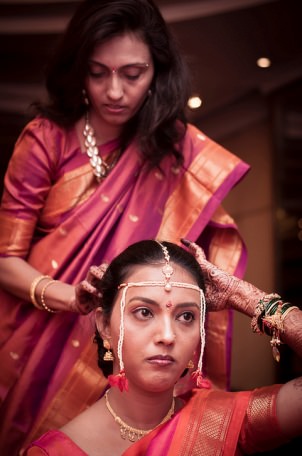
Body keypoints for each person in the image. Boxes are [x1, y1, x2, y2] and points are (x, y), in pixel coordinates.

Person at [0, 0, 250, 453]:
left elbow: (201, 238)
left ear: (158, 72)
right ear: (79, 71)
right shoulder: (46, 139)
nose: (114, 91)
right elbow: (4, 260)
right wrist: (69, 296)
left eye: (132, 74)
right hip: (38, 337)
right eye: (99, 73)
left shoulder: (176, 149)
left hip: (137, 334)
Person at [23, 239, 302, 456]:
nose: (168, 336)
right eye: (144, 312)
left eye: (186, 316)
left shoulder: (225, 422)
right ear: (104, 325)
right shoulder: (54, 452)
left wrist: (242, 295)